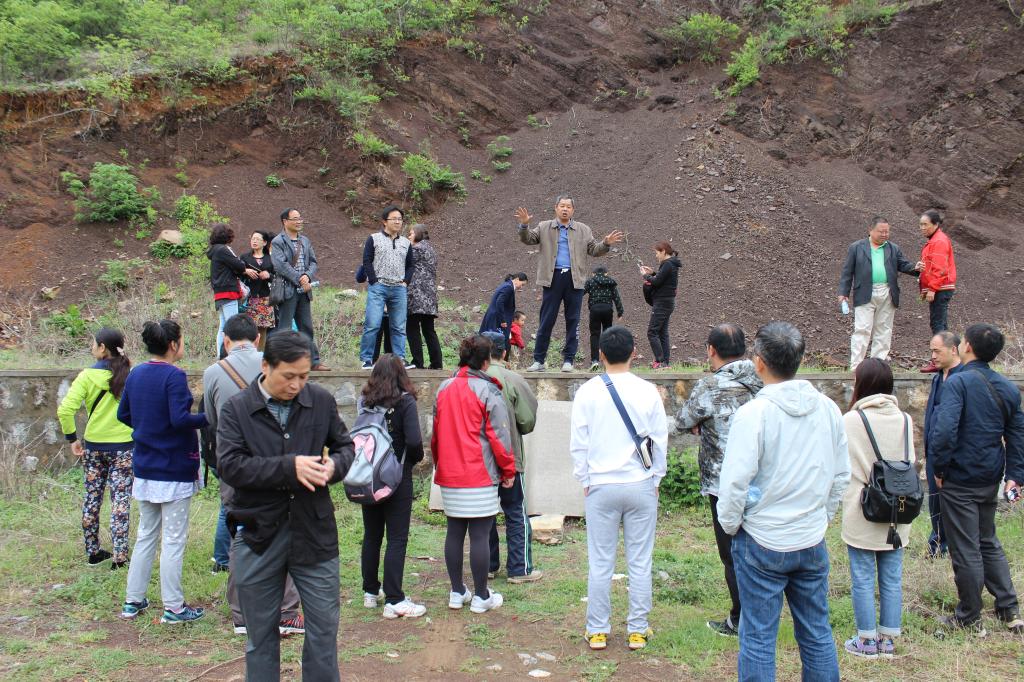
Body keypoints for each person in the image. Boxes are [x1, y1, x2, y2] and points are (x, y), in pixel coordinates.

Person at [217, 331, 356, 680]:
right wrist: (288, 467)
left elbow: (345, 447)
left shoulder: (319, 401)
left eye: (304, 376)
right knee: (260, 638)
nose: (296, 385)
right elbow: (230, 466)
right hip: (259, 535)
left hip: (314, 532)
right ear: (266, 366)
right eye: (289, 376)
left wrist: (334, 467)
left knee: (324, 632)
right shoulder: (237, 409)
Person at [717, 321, 849, 682]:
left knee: (758, 636)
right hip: (810, 538)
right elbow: (841, 476)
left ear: (758, 362)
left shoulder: (754, 414)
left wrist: (732, 526)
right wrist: (821, 518)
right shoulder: (828, 409)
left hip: (761, 539)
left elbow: (734, 483)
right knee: (817, 631)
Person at [201, 314, 304, 637]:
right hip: (275, 459)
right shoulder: (274, 364)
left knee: (242, 536)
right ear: (258, 338)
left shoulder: (213, 372)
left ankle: (242, 615)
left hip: (235, 465)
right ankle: (286, 612)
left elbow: (211, 421)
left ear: (226, 341)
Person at [570, 325, 668, 651]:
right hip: (640, 484)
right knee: (640, 561)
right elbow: (659, 440)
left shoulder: (587, 392)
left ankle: (597, 630)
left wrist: (585, 480)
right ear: (634, 353)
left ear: (600, 354)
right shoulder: (648, 391)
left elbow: (579, 444)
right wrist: (656, 478)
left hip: (601, 485)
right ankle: (637, 630)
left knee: (600, 562)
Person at [929, 323, 1024, 634]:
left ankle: (969, 616)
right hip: (990, 476)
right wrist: (1015, 476)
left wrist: (939, 470)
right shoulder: (1008, 388)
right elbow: (1017, 434)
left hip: (960, 477)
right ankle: (1009, 610)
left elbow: (944, 432)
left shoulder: (958, 383)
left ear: (966, 346)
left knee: (966, 547)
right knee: (987, 541)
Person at [117, 320, 207, 624]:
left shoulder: (136, 373)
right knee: (173, 540)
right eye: (181, 339)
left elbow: (123, 413)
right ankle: (174, 607)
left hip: (145, 466)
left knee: (146, 535)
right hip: (174, 467)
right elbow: (180, 419)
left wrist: (148, 428)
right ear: (172, 344)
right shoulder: (174, 375)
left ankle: (133, 601)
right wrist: (209, 418)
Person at [674, 323, 762, 637]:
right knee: (762, 548)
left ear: (711, 350)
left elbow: (683, 420)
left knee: (732, 553)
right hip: (763, 479)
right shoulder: (762, 379)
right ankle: (763, 612)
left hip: (723, 482)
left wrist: (700, 423)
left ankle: (740, 619)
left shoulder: (710, 385)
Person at [432, 335, 516, 614]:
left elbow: (436, 433)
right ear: (486, 361)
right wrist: (508, 470)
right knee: (480, 535)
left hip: (450, 473)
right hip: (479, 473)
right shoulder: (488, 390)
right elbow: (499, 436)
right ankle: (481, 595)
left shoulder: (444, 388)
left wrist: (440, 465)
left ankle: (457, 591)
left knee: (454, 532)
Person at [841, 358, 918, 659]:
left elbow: (840, 463)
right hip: (898, 507)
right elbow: (909, 462)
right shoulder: (905, 420)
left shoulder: (852, 420)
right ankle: (888, 640)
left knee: (862, 576)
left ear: (862, 384)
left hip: (863, 507)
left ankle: (866, 640)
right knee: (892, 576)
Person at [514, 196, 624, 372]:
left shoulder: (583, 229)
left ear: (573, 210)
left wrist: (605, 243)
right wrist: (524, 225)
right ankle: (539, 360)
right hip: (552, 279)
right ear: (556, 208)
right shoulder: (544, 226)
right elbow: (528, 239)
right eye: (562, 206)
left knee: (573, 320)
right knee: (546, 320)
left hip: (575, 279)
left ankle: (568, 360)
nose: (565, 209)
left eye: (568, 207)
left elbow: (594, 250)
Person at [56, 328, 134, 569]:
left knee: (92, 498)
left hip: (94, 447)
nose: (92, 347)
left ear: (102, 348)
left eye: (93, 343)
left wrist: (72, 438)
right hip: (124, 447)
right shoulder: (129, 374)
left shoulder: (86, 376)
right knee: (120, 501)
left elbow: (65, 410)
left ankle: (93, 551)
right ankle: (120, 557)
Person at [358, 355, 427, 619]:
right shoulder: (405, 402)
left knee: (372, 535)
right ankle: (394, 598)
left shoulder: (365, 401)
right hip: (397, 476)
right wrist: (410, 462)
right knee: (396, 538)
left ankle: (370, 592)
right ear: (401, 374)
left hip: (369, 475)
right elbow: (414, 441)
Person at [481, 331, 542, 583]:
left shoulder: (468, 379)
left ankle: (487, 565)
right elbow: (527, 420)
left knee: (483, 514)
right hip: (510, 456)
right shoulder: (513, 379)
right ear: (504, 352)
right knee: (515, 512)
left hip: (479, 461)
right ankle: (519, 569)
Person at [837, 216, 919, 369]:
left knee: (884, 329)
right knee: (862, 328)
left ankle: (878, 366)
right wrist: (843, 292)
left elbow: (903, 264)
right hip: (864, 291)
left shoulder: (893, 248)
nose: (884, 234)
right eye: (881, 231)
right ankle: (857, 367)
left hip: (887, 291)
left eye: (887, 231)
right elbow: (847, 271)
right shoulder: (856, 247)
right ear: (870, 230)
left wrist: (916, 268)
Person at [271, 207, 328, 371]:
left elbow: (313, 262)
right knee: (285, 328)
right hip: (288, 290)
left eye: (300, 218)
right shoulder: (278, 241)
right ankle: (282, 362)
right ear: (285, 221)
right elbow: (280, 265)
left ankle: (313, 362)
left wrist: (307, 276)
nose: (299, 221)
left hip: (304, 290)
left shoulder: (305, 240)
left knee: (306, 326)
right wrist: (299, 279)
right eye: (295, 219)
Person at [359, 205, 414, 370]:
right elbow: (367, 260)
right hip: (379, 287)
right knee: (372, 324)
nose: (398, 222)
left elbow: (410, 265)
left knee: (399, 326)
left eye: (400, 219)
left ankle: (400, 359)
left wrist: (405, 282)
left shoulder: (406, 243)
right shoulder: (373, 238)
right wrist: (373, 281)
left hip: (398, 288)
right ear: (384, 221)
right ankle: (366, 359)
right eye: (394, 219)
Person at [922, 331, 962, 558]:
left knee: (953, 503)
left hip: (954, 455)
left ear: (953, 350)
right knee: (935, 502)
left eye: (937, 351)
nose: (933, 356)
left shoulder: (963, 378)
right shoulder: (938, 378)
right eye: (931, 351)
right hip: (934, 452)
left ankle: (953, 546)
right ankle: (937, 543)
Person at [915, 210, 957, 372]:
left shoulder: (938, 241)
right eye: (920, 224)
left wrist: (932, 288)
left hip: (940, 288)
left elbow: (940, 269)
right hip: (940, 287)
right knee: (942, 324)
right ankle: (949, 359)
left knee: (938, 324)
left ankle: (940, 361)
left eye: (925, 224)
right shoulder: (935, 240)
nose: (922, 228)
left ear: (936, 224)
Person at [208, 223, 260, 355]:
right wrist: (245, 269)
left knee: (223, 326)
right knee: (233, 325)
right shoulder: (223, 249)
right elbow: (238, 264)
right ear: (226, 236)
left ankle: (221, 356)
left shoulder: (214, 250)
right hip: (228, 291)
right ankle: (231, 355)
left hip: (220, 292)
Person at [407, 223, 443, 370]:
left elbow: (404, 263)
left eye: (411, 233)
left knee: (412, 328)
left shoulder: (416, 249)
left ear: (418, 233)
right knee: (429, 330)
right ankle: (437, 363)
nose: (409, 236)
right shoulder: (431, 249)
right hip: (430, 296)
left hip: (416, 295)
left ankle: (417, 362)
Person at [640, 242, 681, 369]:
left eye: (657, 252)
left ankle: (659, 361)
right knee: (662, 333)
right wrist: (653, 273)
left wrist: (645, 275)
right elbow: (662, 279)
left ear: (663, 251)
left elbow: (657, 282)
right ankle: (665, 363)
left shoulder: (667, 264)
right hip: (667, 302)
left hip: (662, 302)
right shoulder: (670, 264)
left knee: (652, 332)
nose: (656, 255)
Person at [240, 230, 276, 351]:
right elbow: (237, 273)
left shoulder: (271, 259)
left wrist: (269, 275)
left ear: (264, 242)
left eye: (257, 239)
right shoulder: (244, 257)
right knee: (248, 328)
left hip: (265, 298)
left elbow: (278, 277)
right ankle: (247, 353)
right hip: (249, 298)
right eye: (253, 239)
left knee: (263, 328)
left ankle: (260, 354)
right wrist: (245, 271)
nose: (254, 241)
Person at [583, 266, 624, 372]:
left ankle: (595, 361)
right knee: (607, 335)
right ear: (606, 274)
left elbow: (580, 293)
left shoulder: (590, 282)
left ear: (593, 274)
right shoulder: (610, 282)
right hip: (607, 310)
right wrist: (620, 312)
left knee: (594, 335)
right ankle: (607, 361)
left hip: (595, 310)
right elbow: (617, 297)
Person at [480, 273, 528, 344]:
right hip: (496, 319)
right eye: (522, 284)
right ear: (517, 279)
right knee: (492, 342)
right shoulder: (508, 287)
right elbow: (499, 302)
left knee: (487, 340)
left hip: (494, 316)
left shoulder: (507, 285)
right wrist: (503, 320)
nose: (521, 287)